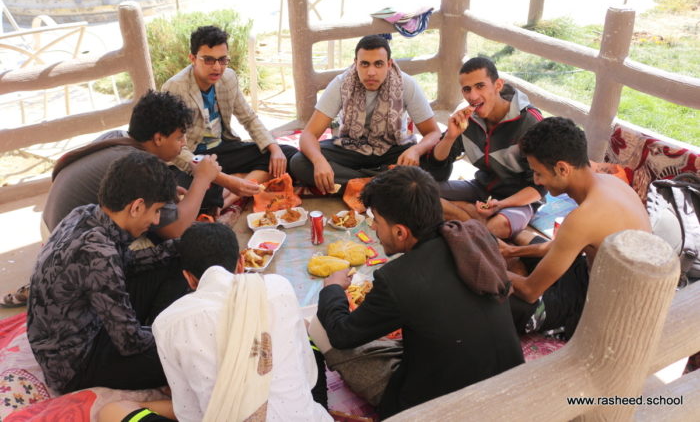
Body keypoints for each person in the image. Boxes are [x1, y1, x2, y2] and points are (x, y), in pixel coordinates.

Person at [315, 166, 524, 419]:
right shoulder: (476, 235)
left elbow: (342, 335)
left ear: (400, 232)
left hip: (442, 407)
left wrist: (333, 288)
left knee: (321, 326)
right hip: (510, 382)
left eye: (376, 221)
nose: (375, 229)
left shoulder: (397, 278)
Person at [27, 152, 184, 394]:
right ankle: (163, 330)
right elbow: (129, 342)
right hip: (74, 365)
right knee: (186, 354)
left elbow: (126, 263)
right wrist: (175, 335)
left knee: (175, 260)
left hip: (88, 326)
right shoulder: (98, 254)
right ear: (136, 207)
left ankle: (158, 326)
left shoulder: (85, 213)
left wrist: (180, 246)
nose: (156, 221)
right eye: (156, 211)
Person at [152, 222, 331, 422]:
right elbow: (308, 375)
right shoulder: (278, 288)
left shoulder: (168, 323)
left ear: (189, 278)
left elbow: (189, 414)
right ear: (241, 263)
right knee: (307, 329)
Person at [507, 117, 651, 338]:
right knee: (524, 245)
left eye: (538, 173)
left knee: (491, 304)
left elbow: (529, 291)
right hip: (592, 273)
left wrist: (488, 265)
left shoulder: (585, 217)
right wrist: (511, 251)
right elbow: (559, 246)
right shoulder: (612, 183)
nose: (536, 181)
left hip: (604, 307)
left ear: (562, 168)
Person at [41, 89, 220, 240]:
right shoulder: (140, 166)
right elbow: (175, 230)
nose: (184, 143)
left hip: (50, 225)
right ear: (158, 139)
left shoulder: (116, 137)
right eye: (179, 137)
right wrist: (202, 179)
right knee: (169, 246)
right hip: (69, 243)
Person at [162, 25, 297, 209]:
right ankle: (239, 181)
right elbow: (177, 150)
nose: (217, 67)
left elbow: (248, 118)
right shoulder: (175, 88)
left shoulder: (228, 77)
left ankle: (233, 193)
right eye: (208, 60)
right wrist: (226, 180)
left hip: (221, 149)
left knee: (286, 156)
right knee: (200, 197)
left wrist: (274, 149)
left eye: (222, 60)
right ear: (192, 58)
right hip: (191, 157)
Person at [289, 35, 441, 194]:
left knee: (439, 165)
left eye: (378, 64)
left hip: (393, 147)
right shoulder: (341, 84)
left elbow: (433, 132)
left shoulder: (406, 84)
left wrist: (416, 150)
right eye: (364, 64)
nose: (371, 72)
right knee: (300, 162)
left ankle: (360, 184)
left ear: (389, 64)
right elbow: (308, 135)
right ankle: (383, 184)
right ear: (356, 63)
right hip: (352, 147)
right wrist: (319, 161)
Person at [427, 57, 546, 239]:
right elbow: (437, 166)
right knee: (420, 191)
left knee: (498, 226)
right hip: (480, 188)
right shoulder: (468, 118)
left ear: (498, 85)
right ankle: (472, 217)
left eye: (480, 86)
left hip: (518, 198)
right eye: (467, 89)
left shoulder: (530, 122)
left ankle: (467, 217)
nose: (473, 96)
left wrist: (501, 205)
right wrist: (450, 137)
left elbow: (540, 188)